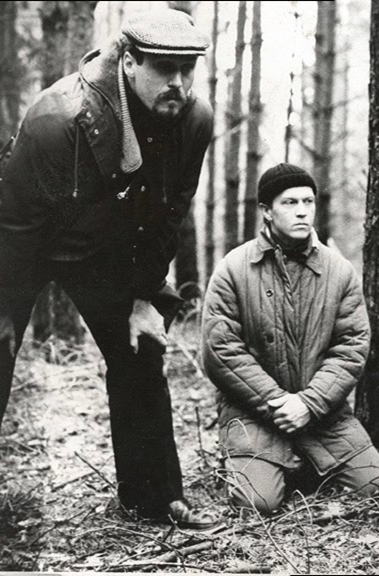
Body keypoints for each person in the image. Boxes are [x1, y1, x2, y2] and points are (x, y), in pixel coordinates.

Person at [0, 9, 217, 529]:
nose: (178, 83)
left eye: (187, 69)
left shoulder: (193, 119)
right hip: (26, 240)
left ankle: (153, 497)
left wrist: (143, 296)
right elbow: (14, 226)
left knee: (142, 348)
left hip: (106, 247)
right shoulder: (58, 118)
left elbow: (170, 212)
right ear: (129, 61)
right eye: (164, 68)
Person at [201, 163, 379, 514]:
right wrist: (277, 402)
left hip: (322, 413)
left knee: (378, 489)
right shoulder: (233, 268)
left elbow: (351, 346)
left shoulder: (339, 271)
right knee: (257, 503)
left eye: (308, 201)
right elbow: (220, 350)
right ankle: (271, 466)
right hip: (255, 414)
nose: (302, 211)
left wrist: (309, 403)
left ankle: (301, 466)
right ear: (266, 211)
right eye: (289, 202)